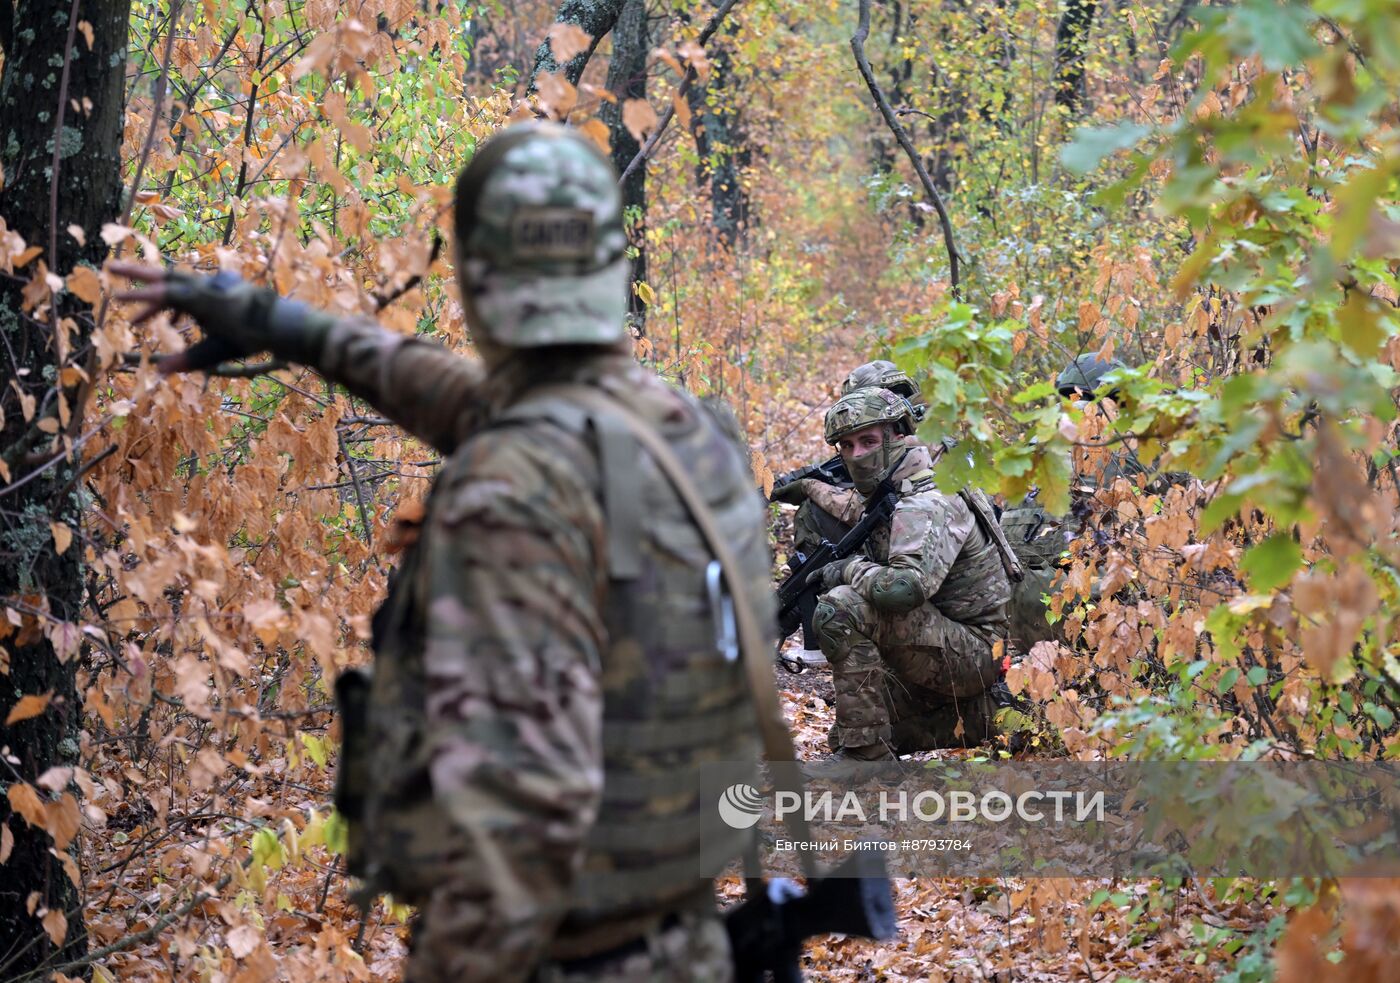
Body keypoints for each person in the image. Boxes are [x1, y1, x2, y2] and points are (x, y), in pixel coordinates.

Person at [114, 122, 774, 982]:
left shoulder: (513, 493)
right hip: (684, 940)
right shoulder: (685, 435)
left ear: (477, 283)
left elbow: (520, 843)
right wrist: (280, 324)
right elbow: (457, 391)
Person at [809, 388, 1019, 761]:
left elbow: (904, 590)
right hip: (952, 646)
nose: (857, 455)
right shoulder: (894, 488)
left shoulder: (928, 497)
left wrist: (846, 570)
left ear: (899, 436)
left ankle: (867, 763)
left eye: (869, 441)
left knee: (841, 608)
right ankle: (985, 716)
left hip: (975, 653)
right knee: (846, 733)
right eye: (846, 445)